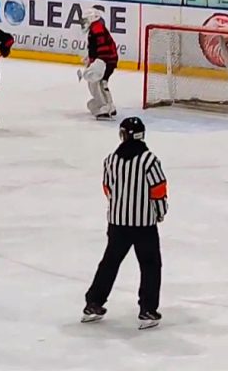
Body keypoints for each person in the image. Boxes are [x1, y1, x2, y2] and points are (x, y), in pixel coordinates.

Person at [83, 117, 168, 330]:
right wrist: (160, 212)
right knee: (150, 265)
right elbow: (158, 190)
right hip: (144, 224)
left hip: (117, 223)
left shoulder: (111, 160)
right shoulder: (149, 160)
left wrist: (118, 208)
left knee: (109, 263)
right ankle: (147, 310)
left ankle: (93, 303)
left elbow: (107, 188)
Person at [80, 7, 119, 120]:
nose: (84, 22)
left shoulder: (97, 29)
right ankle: (109, 105)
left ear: (92, 18)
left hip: (106, 60)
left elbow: (102, 48)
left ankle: (104, 106)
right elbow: (96, 47)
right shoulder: (96, 28)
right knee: (102, 82)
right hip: (108, 60)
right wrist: (90, 58)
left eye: (86, 19)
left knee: (95, 82)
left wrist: (97, 61)